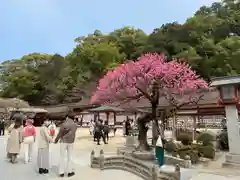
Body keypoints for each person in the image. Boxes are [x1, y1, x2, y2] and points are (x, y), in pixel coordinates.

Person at [54, 113, 78, 177]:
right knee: (70, 157)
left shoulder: (63, 124)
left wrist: (56, 140)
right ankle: (69, 172)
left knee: (62, 157)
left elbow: (60, 133)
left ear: (67, 117)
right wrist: (66, 136)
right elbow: (71, 133)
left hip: (63, 142)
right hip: (71, 142)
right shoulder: (75, 125)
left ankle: (61, 173)